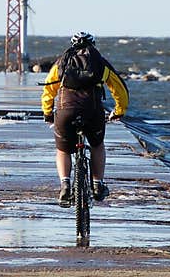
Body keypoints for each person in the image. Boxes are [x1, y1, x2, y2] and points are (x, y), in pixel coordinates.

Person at [41, 31, 129, 207]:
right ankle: (97, 184)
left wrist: (48, 113)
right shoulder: (100, 64)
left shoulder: (62, 63)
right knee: (97, 145)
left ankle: (65, 185)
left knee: (63, 150)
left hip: (66, 111)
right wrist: (119, 111)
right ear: (93, 45)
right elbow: (120, 90)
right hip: (93, 111)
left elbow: (48, 90)